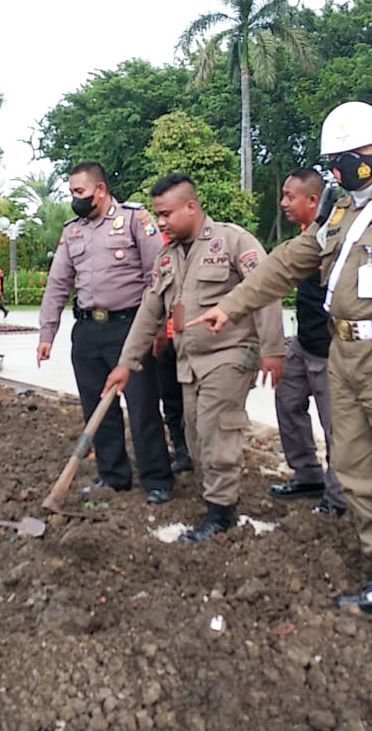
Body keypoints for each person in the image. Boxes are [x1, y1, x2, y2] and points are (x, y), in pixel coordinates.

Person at [189, 101, 372, 631]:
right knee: (356, 468)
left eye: (354, 156)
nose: (344, 167)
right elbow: (287, 264)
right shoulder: (338, 214)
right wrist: (231, 305)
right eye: (336, 159)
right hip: (345, 354)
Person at [104, 174, 285, 542]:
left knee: (216, 429)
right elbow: (148, 312)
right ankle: (218, 498)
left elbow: (266, 291)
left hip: (231, 354)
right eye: (157, 215)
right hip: (189, 362)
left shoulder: (233, 241)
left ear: (191, 206)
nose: (161, 222)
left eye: (167, 214)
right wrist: (126, 363)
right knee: (195, 433)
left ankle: (221, 513)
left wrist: (272, 349)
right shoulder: (167, 258)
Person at [38, 162, 175, 503]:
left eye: (80, 192)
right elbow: (58, 283)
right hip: (87, 330)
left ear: (100, 189)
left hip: (129, 328)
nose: (75, 199)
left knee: (142, 406)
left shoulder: (134, 220)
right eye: (71, 193)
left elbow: (158, 276)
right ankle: (113, 477)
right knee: (96, 407)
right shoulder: (72, 232)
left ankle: (157, 479)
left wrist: (158, 327)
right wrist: (47, 332)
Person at [267, 169, 348, 518]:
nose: (283, 203)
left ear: (313, 200)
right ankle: (307, 474)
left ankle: (339, 498)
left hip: (332, 349)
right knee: (287, 402)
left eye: (290, 196)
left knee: (338, 427)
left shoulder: (339, 234)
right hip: (303, 343)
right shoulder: (307, 235)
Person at [154, 319, 193, 473]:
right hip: (166, 340)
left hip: (193, 340)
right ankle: (181, 450)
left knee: (197, 402)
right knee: (170, 400)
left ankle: (200, 452)